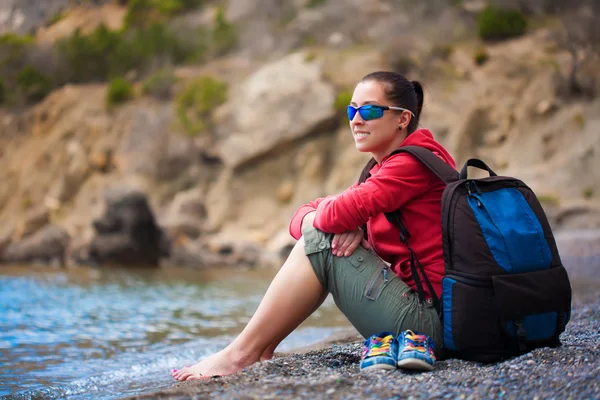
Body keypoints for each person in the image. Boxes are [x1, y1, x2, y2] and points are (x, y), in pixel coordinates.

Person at [172, 71, 456, 381]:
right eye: (352, 110)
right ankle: (258, 348)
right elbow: (307, 216)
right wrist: (341, 222)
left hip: (431, 327)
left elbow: (328, 218)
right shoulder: (387, 167)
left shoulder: (409, 165)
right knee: (321, 234)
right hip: (433, 314)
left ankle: (240, 354)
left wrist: (337, 221)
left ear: (403, 119)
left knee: (319, 242)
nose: (357, 120)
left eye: (370, 110)